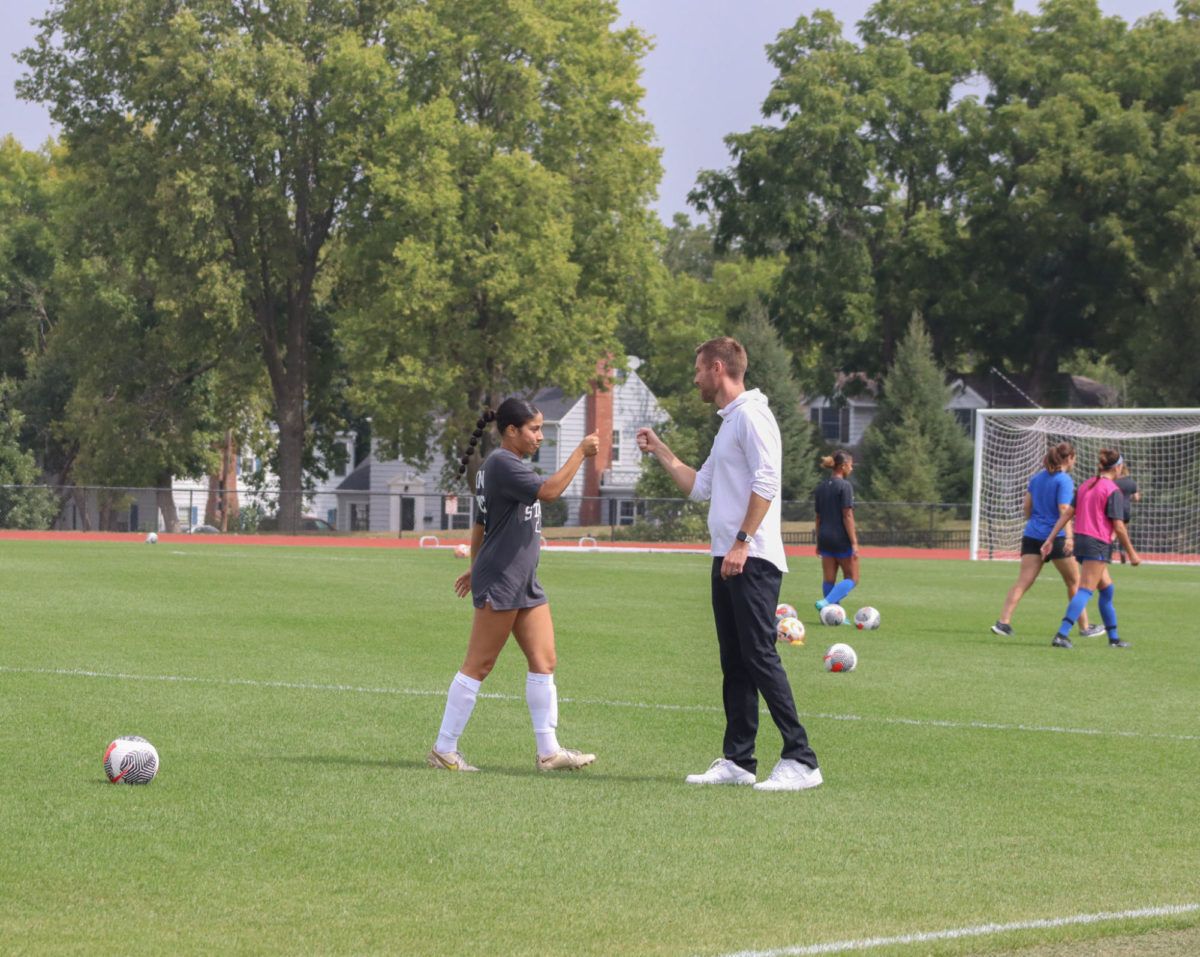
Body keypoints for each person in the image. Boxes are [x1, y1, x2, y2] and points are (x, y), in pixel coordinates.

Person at [636, 336, 821, 792]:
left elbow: (768, 479)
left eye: (698, 370)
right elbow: (700, 487)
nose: (695, 378)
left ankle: (802, 759)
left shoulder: (753, 415)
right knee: (735, 662)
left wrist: (741, 541)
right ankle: (740, 760)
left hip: (751, 558)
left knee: (759, 655)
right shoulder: (729, 423)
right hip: (728, 557)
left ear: (717, 368)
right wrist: (660, 450)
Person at [427, 397, 600, 772]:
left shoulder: (502, 466)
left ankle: (549, 752)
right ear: (511, 431)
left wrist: (475, 569)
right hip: (504, 580)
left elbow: (481, 526)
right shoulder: (503, 464)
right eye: (534, 429)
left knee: (544, 660)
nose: (539, 436)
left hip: (522, 580)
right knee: (479, 664)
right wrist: (581, 452)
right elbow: (551, 492)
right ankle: (444, 749)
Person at [990, 442, 1106, 639]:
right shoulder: (1064, 480)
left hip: (1032, 535)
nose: (1075, 461)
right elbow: (1064, 509)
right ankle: (1085, 627)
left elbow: (1026, 507)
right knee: (1074, 582)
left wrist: (1036, 521)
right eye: (1074, 457)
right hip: (1057, 537)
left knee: (1023, 581)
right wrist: (1069, 536)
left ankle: (1003, 622)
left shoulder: (1036, 479)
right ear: (1068, 458)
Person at [1041, 448, 1141, 649]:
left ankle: (1113, 638)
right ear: (1118, 467)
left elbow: (1067, 514)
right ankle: (1062, 634)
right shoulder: (1113, 490)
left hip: (1082, 541)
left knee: (1107, 589)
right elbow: (1119, 526)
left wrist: (1050, 538)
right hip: (1097, 543)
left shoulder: (1086, 485)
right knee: (1086, 589)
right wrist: (1132, 553)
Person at [813, 451, 859, 614]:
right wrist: (854, 542)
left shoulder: (821, 487)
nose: (852, 468)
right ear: (843, 465)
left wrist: (818, 542)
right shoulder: (845, 486)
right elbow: (847, 514)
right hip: (840, 538)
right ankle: (826, 602)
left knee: (829, 580)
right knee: (852, 578)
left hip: (825, 537)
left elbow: (818, 518)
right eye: (851, 465)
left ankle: (834, 615)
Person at [1113, 463, 1140, 564]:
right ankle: (1122, 551)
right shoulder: (1131, 482)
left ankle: (1108, 549)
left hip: (1115, 508)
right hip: (1126, 510)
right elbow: (1137, 498)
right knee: (1124, 532)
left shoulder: (1114, 481)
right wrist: (1129, 497)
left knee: (1113, 531)